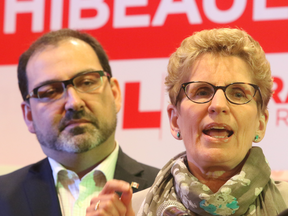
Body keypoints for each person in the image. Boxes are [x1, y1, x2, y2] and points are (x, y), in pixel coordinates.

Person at [0, 29, 159, 216]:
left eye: (87, 82)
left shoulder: (167, 192)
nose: (74, 103)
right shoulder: (3, 198)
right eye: (50, 91)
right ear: (29, 116)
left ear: (115, 94)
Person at [133, 28, 288, 216]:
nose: (218, 105)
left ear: (261, 123)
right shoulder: (131, 210)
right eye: (202, 92)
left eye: (238, 93)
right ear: (175, 120)